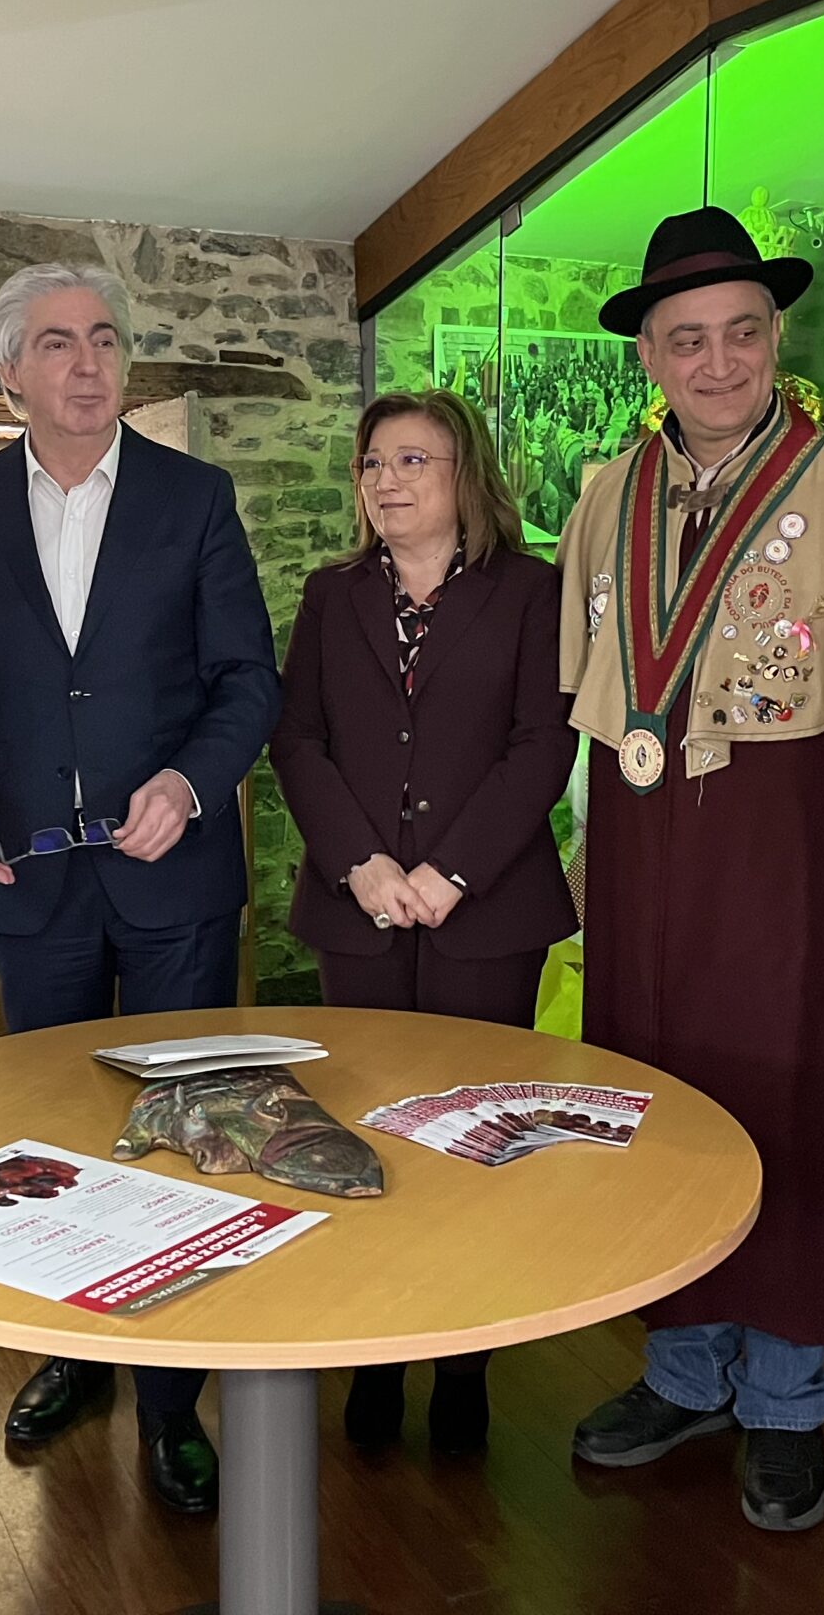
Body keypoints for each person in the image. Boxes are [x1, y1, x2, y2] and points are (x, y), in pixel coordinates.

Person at [554, 206, 824, 1532]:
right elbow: (592, 688)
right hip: (649, 847)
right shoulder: (606, 498)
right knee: (660, 1088)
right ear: (648, 360)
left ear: (774, 336)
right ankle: (683, 1370)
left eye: (740, 333)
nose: (716, 362)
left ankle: (787, 1402)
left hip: (806, 845)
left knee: (800, 1098)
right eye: (686, 341)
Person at [0, 260, 281, 1513]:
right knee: (57, 1134)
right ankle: (76, 1353)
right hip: (31, 888)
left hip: (175, 882)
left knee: (173, 1136)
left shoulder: (196, 497)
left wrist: (188, 780)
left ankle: (173, 1403)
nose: (86, 363)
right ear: (10, 371)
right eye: (56, 343)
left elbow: (245, 682)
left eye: (105, 340)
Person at [268, 387, 577, 1451]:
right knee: (361, 1133)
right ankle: (374, 1349)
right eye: (372, 464)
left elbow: (544, 743)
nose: (387, 481)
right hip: (356, 910)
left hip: (484, 912)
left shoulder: (531, 591)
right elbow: (296, 742)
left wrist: (448, 871)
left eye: (413, 460)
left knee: (473, 1137)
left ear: (464, 475)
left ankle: (463, 1365)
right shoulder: (330, 594)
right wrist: (361, 863)